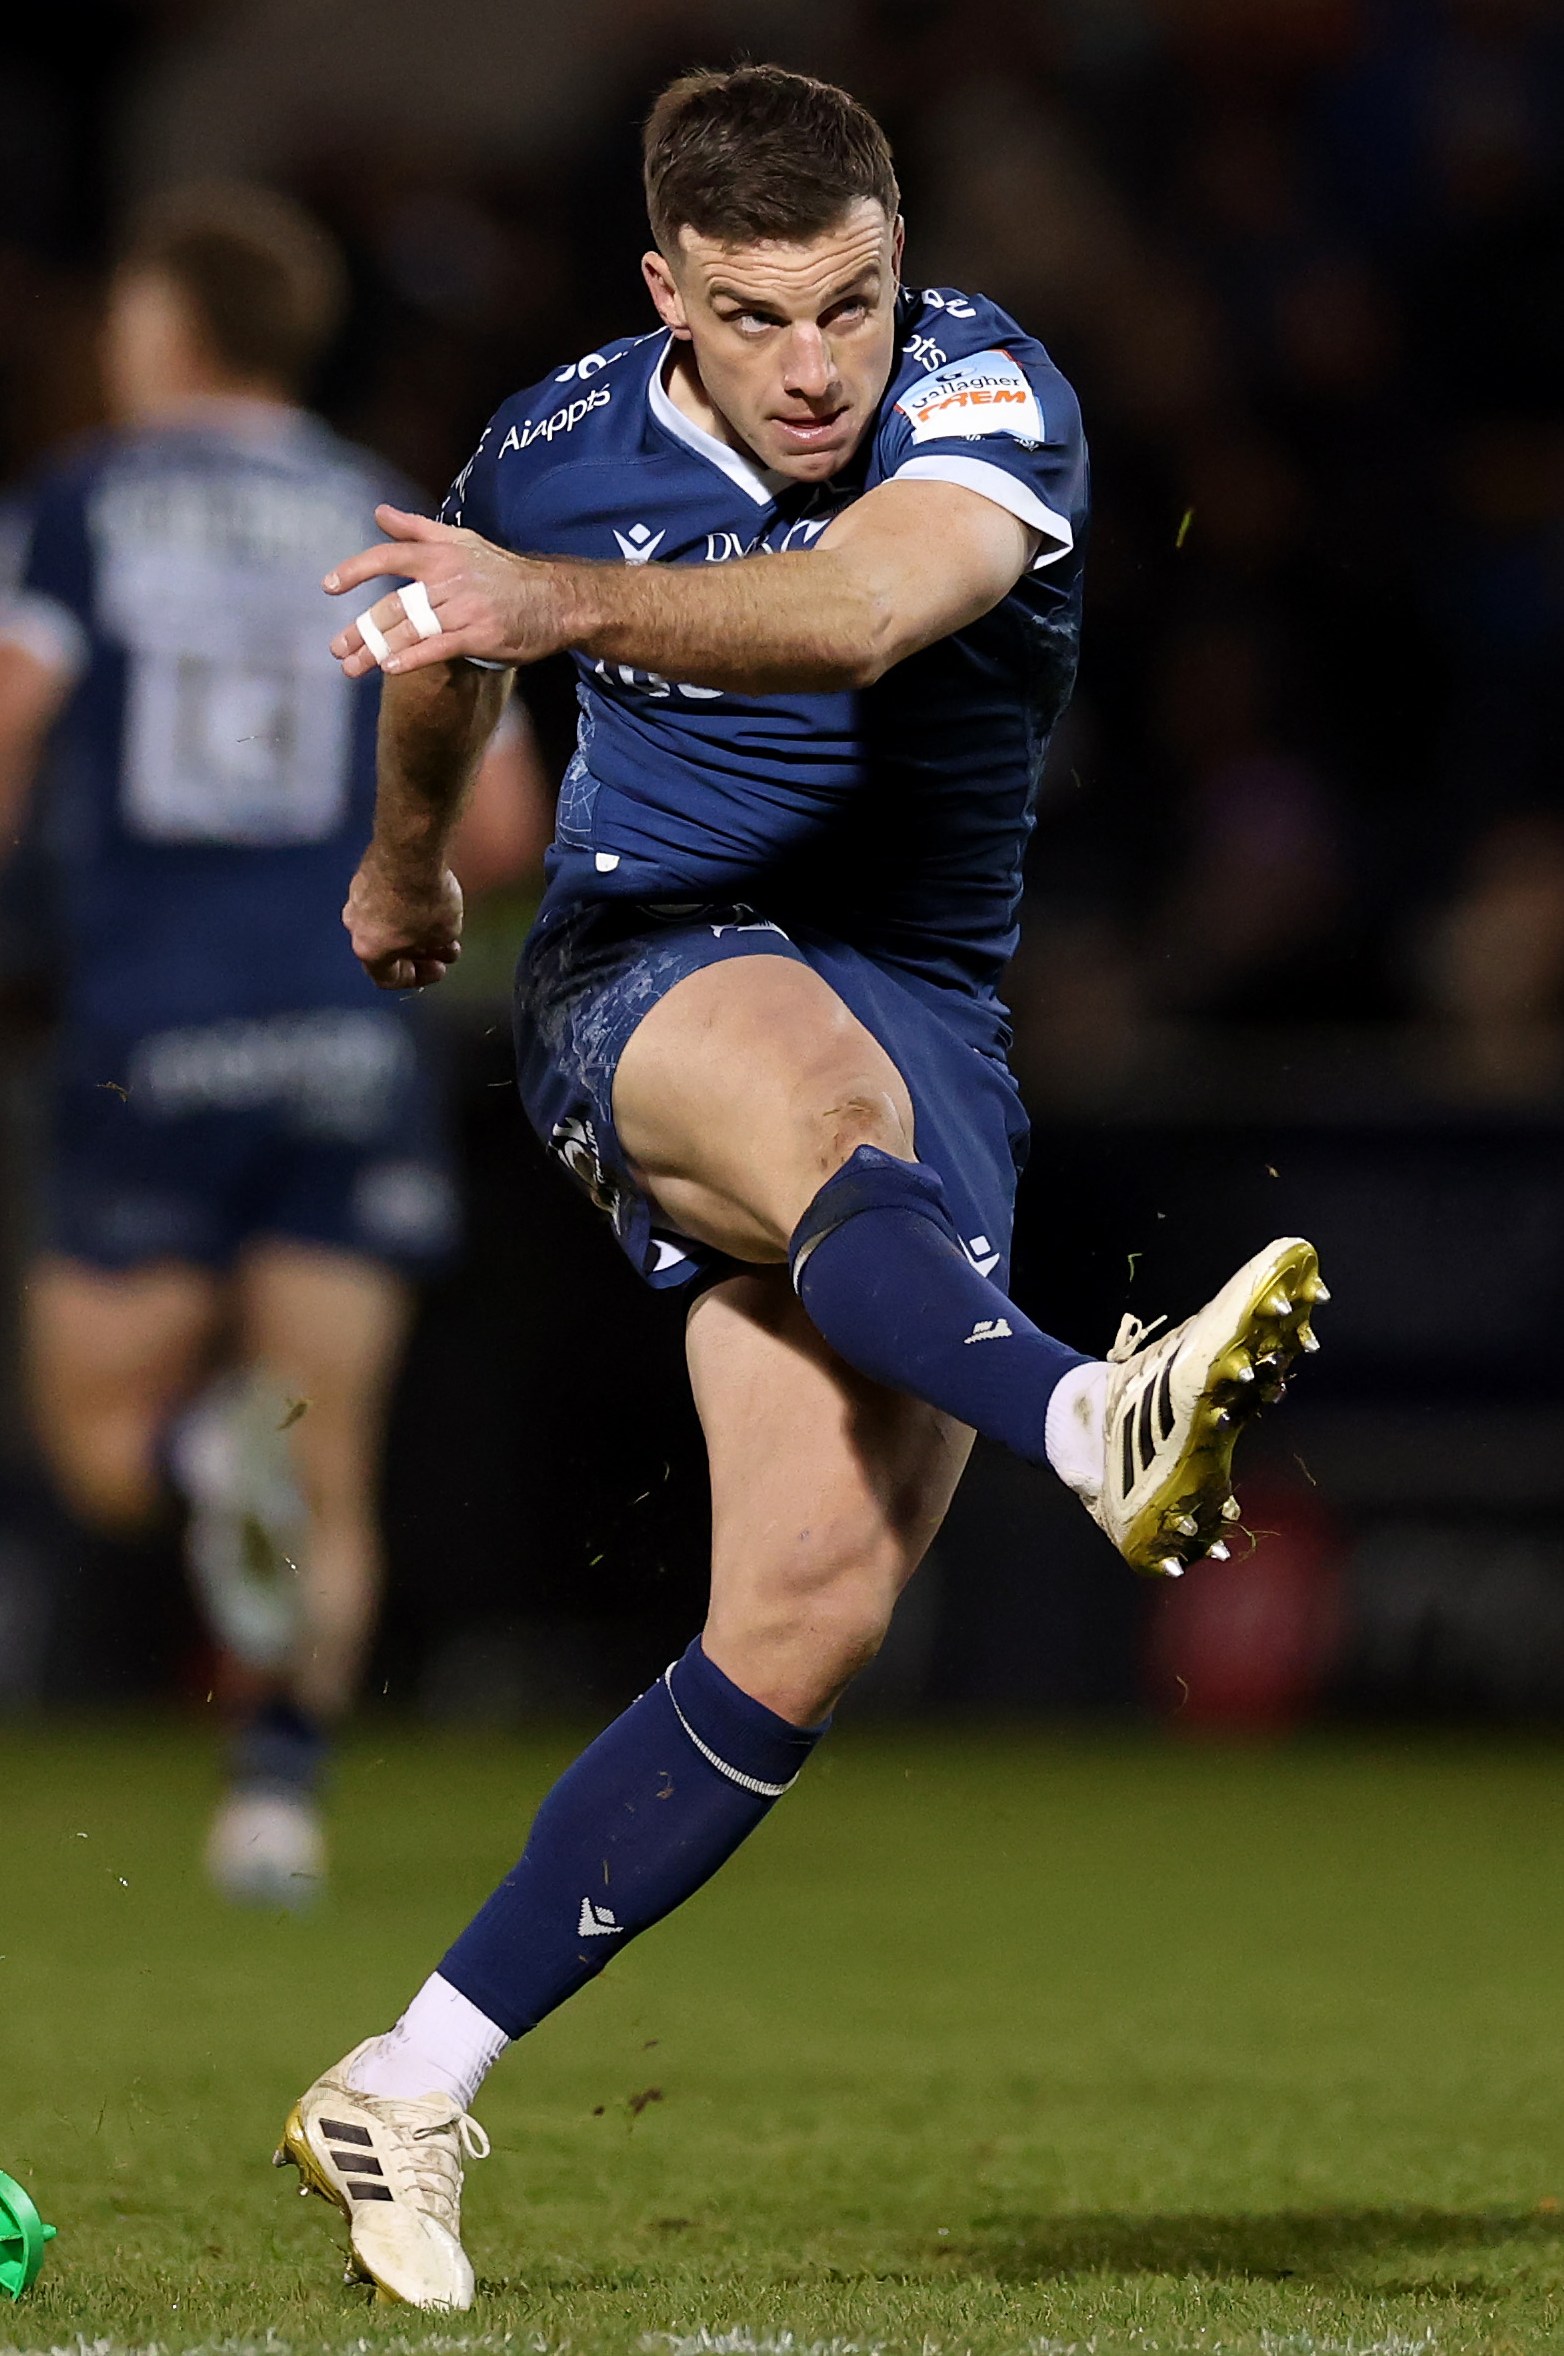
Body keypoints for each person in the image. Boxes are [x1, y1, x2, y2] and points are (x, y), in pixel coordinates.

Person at [273, 68, 1326, 2307]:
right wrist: (398, 863)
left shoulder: (980, 394)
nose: (815, 361)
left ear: (896, 259)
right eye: (755, 318)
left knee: (809, 1608)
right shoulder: (554, 448)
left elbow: (855, 615)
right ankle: (1086, 1413)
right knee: (819, 1109)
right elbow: (442, 659)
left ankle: (405, 2080)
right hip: (650, 969)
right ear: (665, 289)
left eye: (848, 300)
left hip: (930, 1009)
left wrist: (532, 610)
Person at [0, 183, 547, 1905]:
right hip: (346, 1027)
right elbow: (508, 824)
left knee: (101, 1440)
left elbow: (10, 729)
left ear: (164, 329)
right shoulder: (372, 515)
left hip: (144, 1030)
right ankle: (277, 1804)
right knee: (333, 1458)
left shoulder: (82, 504)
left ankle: (188, 1458)